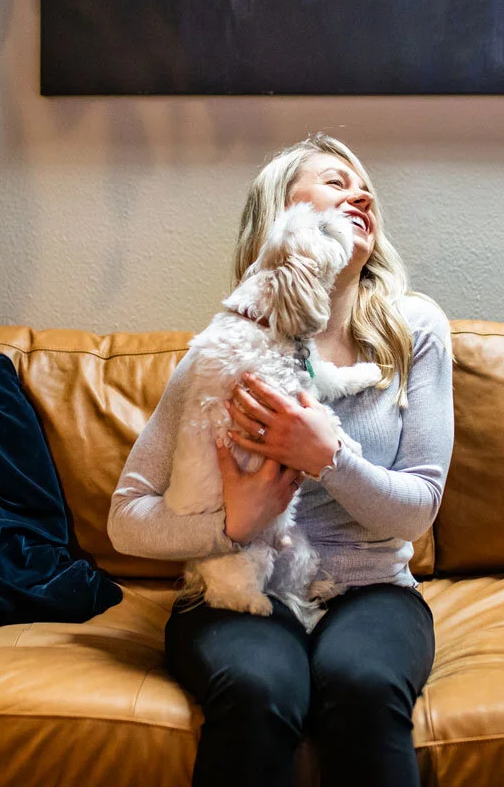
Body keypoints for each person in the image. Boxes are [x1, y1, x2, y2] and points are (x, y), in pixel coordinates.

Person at [107, 133, 455, 787]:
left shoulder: (415, 330)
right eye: (335, 181)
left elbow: (418, 512)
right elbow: (126, 518)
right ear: (280, 213)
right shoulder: (225, 349)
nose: (360, 194)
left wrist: (328, 458)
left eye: (364, 186)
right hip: (244, 587)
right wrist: (231, 526)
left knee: (362, 685)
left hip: (371, 590)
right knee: (258, 689)